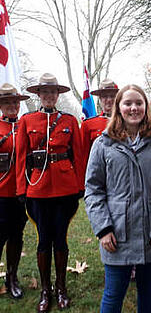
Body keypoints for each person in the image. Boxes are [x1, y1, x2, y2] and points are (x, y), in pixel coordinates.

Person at [85, 84, 151, 313]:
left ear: (146, 106)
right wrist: (103, 228)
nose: (133, 108)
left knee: (148, 290)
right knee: (114, 293)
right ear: (119, 107)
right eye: (128, 103)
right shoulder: (103, 144)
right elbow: (93, 190)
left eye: (138, 103)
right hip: (117, 233)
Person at [15, 73, 84, 312]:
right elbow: (22, 157)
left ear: (58, 95)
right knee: (43, 240)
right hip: (37, 188)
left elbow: (78, 155)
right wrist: (21, 188)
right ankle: (45, 290)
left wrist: (80, 185)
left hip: (65, 188)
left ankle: (61, 288)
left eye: (52, 92)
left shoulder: (69, 121)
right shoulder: (27, 120)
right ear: (38, 95)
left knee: (61, 238)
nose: (48, 96)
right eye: (44, 92)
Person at [0, 83, 29, 299]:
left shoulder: (24, 126)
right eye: (7, 102)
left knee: (16, 236)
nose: (12, 106)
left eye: (14, 102)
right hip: (0, 192)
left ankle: (12, 277)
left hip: (20, 192)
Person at [80, 78, 119, 170]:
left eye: (112, 96)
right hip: (98, 173)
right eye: (105, 96)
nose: (109, 100)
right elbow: (84, 156)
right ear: (100, 99)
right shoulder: (88, 124)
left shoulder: (126, 122)